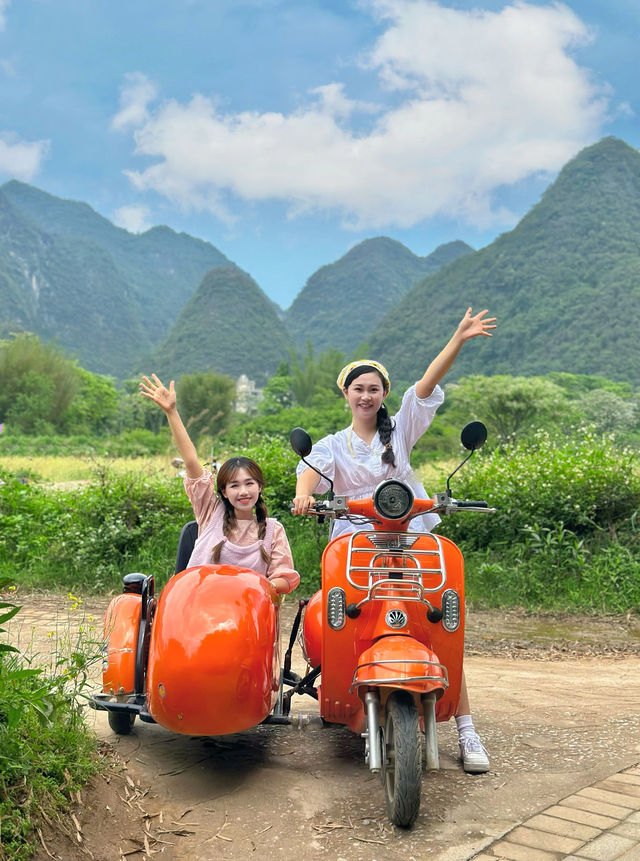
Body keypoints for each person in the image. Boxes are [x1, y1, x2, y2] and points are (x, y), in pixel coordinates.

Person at [292, 307, 496, 773]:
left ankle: (466, 731)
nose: (366, 395)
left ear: (384, 393)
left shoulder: (400, 429)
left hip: (410, 545)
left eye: (374, 388)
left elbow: (425, 385)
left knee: (440, 628)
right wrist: (305, 497)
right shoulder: (331, 445)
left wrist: (458, 338)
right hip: (358, 549)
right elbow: (309, 473)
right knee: (354, 624)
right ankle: (358, 706)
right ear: (346, 393)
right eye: (358, 388)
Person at [140, 373, 299, 595]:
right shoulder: (210, 512)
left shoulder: (273, 530)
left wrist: (266, 586)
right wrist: (171, 412)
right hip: (200, 606)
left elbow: (283, 577)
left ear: (260, 486)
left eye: (249, 483)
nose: (243, 491)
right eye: (234, 486)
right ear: (223, 491)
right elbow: (191, 461)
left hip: (245, 614)